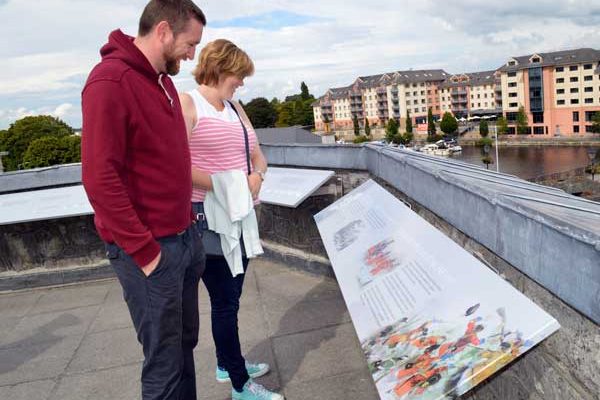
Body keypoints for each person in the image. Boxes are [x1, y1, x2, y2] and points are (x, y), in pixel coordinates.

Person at [81, 1, 206, 399]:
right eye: (191, 44)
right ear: (164, 31)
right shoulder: (109, 82)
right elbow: (99, 179)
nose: (193, 54)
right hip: (151, 251)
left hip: (184, 239)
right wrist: (147, 253)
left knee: (184, 347)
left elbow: (166, 162)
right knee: (164, 364)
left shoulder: (164, 82)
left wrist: (187, 226)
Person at [179, 39, 283, 400]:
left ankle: (227, 363)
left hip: (241, 217)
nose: (241, 83)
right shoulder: (188, 104)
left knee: (232, 298)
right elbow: (176, 166)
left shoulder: (236, 107)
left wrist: (257, 178)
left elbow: (258, 155)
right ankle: (240, 385)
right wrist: (232, 186)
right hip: (207, 219)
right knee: (225, 302)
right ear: (221, 67)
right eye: (239, 75)